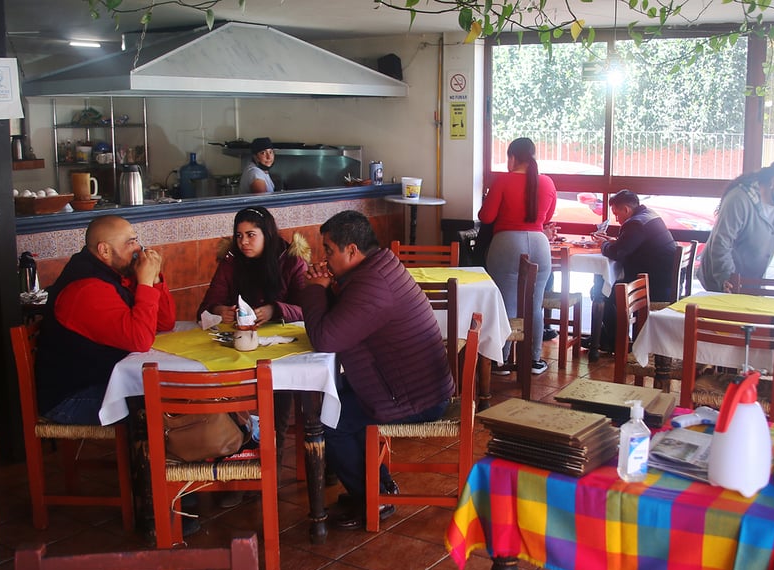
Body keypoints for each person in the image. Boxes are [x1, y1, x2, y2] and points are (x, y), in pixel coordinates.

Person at [300, 210, 454, 530]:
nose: (324, 259)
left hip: (417, 397)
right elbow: (342, 321)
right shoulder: (378, 268)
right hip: (408, 385)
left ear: (353, 251)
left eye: (329, 251)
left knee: (330, 418)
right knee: (335, 399)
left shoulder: (373, 284)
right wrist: (327, 286)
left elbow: (326, 338)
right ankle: (377, 487)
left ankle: (373, 498)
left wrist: (315, 288)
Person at [197, 206, 309, 503]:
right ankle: (238, 474)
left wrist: (276, 309)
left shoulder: (291, 261)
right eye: (238, 235)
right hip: (237, 347)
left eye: (250, 235)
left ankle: (266, 473)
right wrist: (221, 311)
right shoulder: (231, 262)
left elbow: (307, 307)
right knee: (232, 405)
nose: (243, 242)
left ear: (267, 234)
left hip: (280, 348)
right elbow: (207, 306)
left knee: (276, 401)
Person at [36, 215, 176, 425]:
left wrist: (154, 278)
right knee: (167, 402)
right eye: (130, 243)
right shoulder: (86, 288)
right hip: (72, 397)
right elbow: (139, 340)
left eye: (137, 240)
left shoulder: (114, 271)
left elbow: (164, 324)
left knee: (174, 393)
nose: (139, 248)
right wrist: (145, 283)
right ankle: (157, 457)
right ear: (104, 251)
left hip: (104, 379)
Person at [478, 137, 557, 375]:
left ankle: (500, 361)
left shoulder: (503, 180)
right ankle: (533, 360)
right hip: (540, 244)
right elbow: (548, 215)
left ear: (512, 157)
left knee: (506, 304)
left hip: (506, 243)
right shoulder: (547, 182)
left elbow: (486, 217)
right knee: (535, 305)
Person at [699, 161, 774, 293]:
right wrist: (726, 277)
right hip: (719, 276)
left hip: (752, 281)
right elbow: (721, 242)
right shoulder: (739, 199)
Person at [590, 189, 677, 351]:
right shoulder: (649, 215)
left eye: (617, 214)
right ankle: (610, 339)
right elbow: (631, 245)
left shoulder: (635, 223)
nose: (617, 219)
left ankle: (616, 341)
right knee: (603, 289)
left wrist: (603, 245)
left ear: (626, 210)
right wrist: (614, 241)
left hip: (653, 285)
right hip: (664, 280)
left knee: (601, 292)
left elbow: (619, 253)